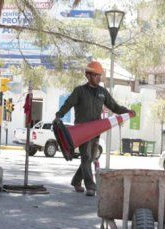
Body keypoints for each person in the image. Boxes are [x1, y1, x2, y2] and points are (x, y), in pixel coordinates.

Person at [55, 61, 133, 196]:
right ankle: (90, 186)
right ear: (88, 75)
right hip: (82, 130)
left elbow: (114, 107)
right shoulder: (79, 91)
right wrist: (59, 115)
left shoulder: (103, 92)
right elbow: (68, 104)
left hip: (96, 130)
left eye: (99, 75)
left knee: (90, 158)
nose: (98, 78)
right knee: (86, 156)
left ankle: (76, 181)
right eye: (96, 75)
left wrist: (127, 111)